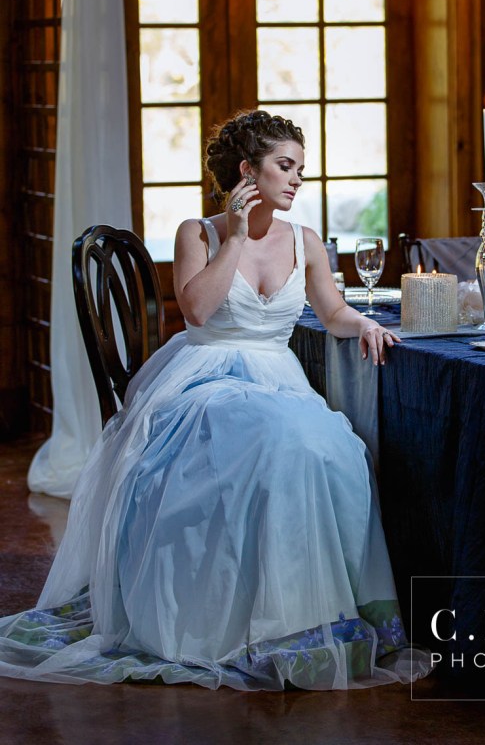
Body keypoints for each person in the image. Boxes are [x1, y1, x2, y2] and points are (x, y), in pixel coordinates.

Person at [0, 110, 429, 690]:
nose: (298, 179)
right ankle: (237, 624)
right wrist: (232, 234)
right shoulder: (197, 233)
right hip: (205, 377)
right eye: (285, 166)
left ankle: (308, 621)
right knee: (280, 442)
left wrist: (365, 325)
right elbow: (198, 310)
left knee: (336, 450)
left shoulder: (304, 240)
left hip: (278, 378)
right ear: (248, 171)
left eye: (301, 167)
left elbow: (331, 312)